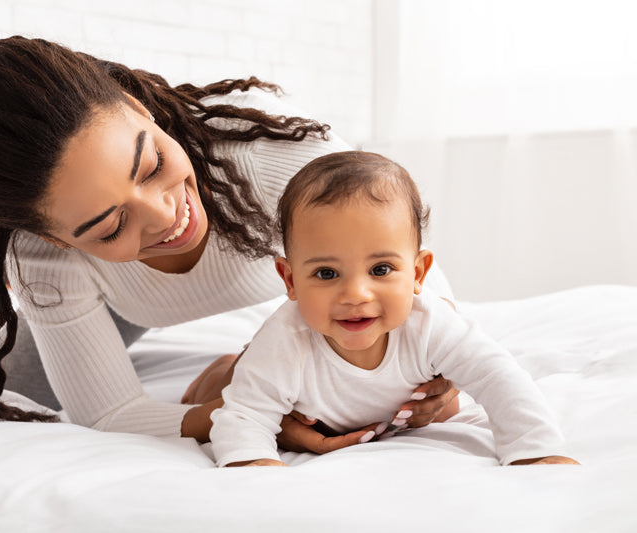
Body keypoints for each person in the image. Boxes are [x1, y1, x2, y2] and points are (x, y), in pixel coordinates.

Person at [0, 36, 459, 449]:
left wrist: (442, 377)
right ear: (51, 237)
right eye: (110, 226)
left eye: (152, 164)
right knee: (20, 384)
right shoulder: (42, 258)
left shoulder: (277, 159)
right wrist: (242, 412)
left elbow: (414, 287)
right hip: (118, 299)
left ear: (137, 107)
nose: (166, 217)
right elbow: (108, 414)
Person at [210, 151, 579, 467]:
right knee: (228, 384)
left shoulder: (430, 323)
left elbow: (498, 377)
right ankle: (219, 369)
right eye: (326, 273)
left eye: (381, 269)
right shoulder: (285, 339)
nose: (356, 295)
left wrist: (534, 450)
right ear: (290, 280)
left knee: (449, 409)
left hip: (395, 416)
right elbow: (245, 415)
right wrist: (252, 463)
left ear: (417, 273)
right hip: (307, 408)